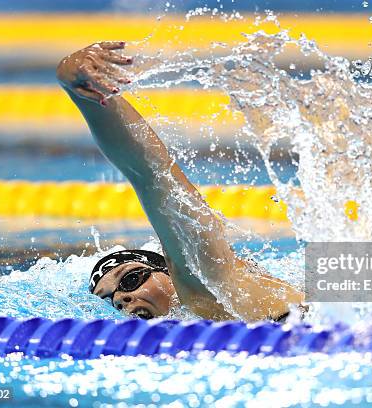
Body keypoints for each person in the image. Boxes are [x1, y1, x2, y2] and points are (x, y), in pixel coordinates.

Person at [56, 41, 304, 322]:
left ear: (168, 271)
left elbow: (150, 173)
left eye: (130, 280)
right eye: (109, 300)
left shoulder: (204, 283)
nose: (121, 299)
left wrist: (79, 89)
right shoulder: (196, 320)